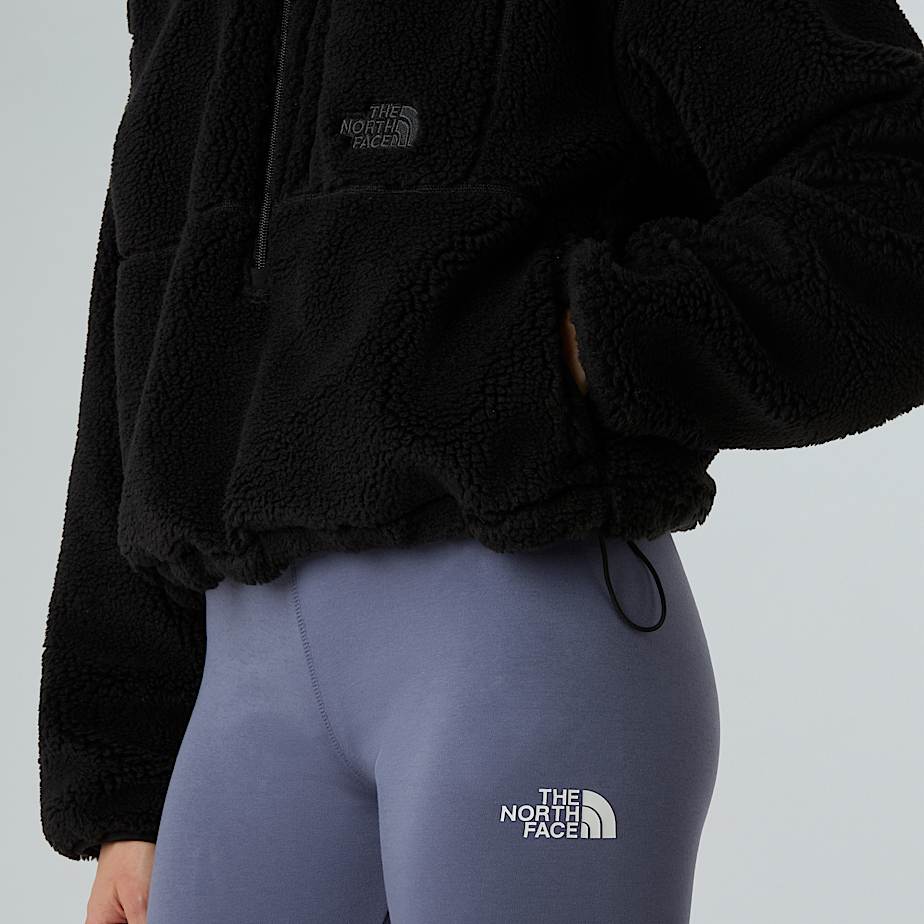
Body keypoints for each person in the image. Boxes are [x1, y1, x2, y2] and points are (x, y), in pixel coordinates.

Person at [38, 1, 924, 922]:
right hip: (239, 700)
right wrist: (126, 776)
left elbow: (895, 187)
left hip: (523, 650)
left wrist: (583, 350)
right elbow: (141, 338)